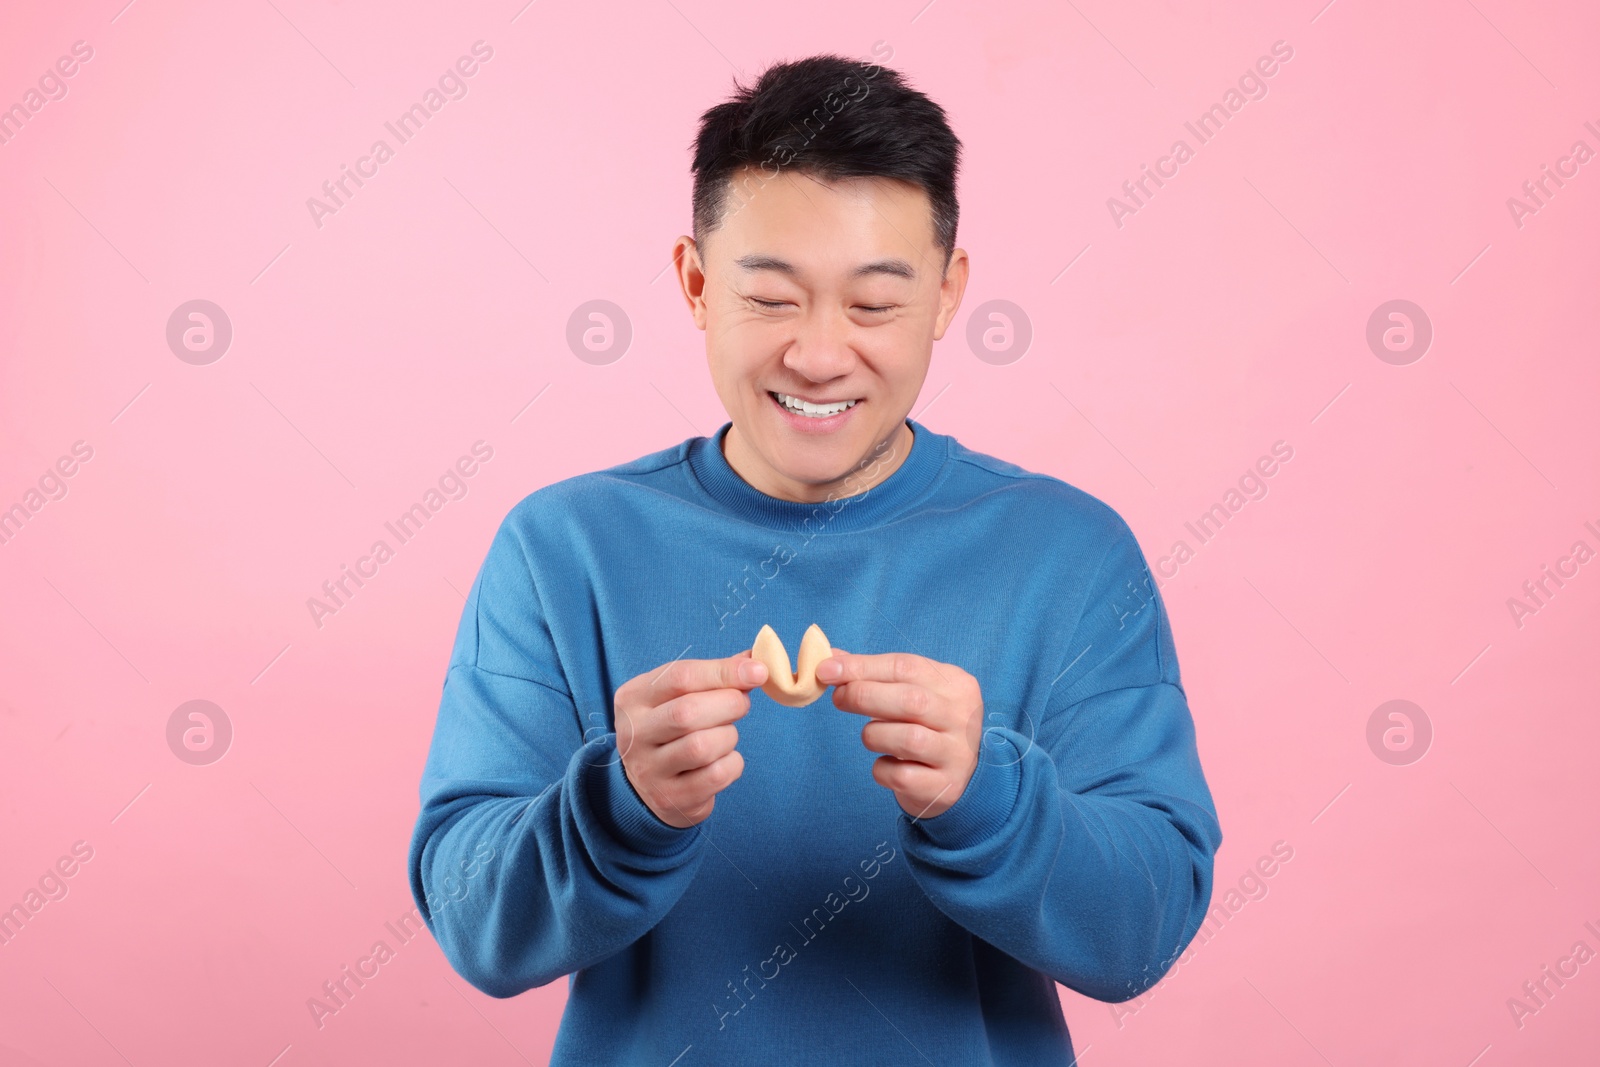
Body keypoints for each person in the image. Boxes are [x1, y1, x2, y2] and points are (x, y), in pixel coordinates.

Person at [407, 53, 1222, 1066]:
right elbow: (473, 923)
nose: (821, 355)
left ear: (946, 294)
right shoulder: (562, 548)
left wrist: (986, 797)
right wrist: (623, 805)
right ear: (696, 285)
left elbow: (1140, 935)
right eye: (772, 298)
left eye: (874, 304)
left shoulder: (1068, 553)